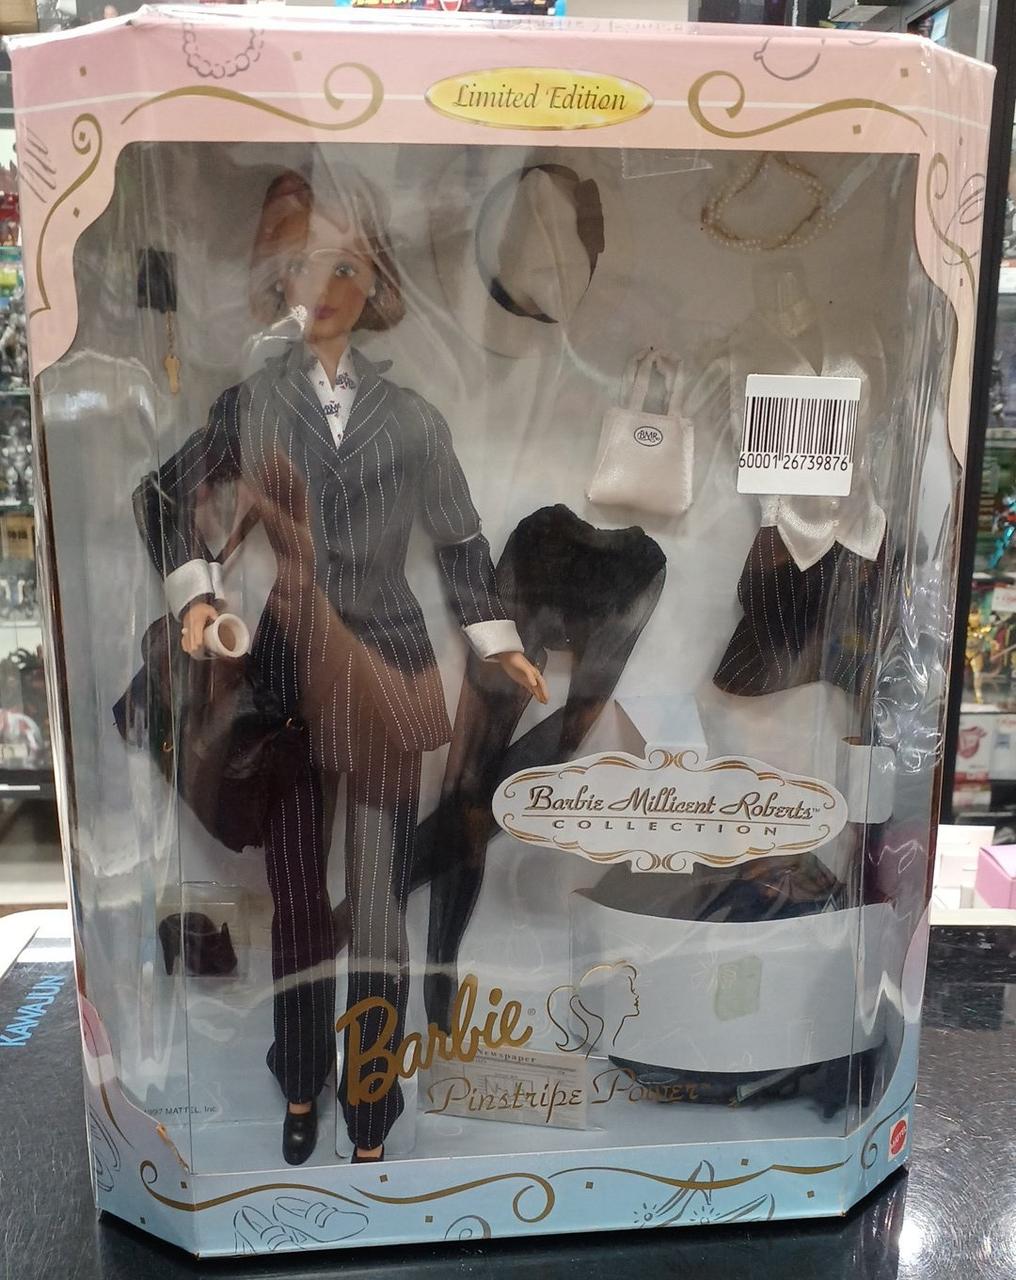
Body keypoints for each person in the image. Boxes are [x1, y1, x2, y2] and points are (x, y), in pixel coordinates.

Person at [134, 164, 547, 1165]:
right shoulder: (251, 402)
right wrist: (197, 597)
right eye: (302, 265)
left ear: (376, 283)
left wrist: (499, 642)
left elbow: (460, 542)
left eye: (347, 269)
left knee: (374, 907)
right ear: (275, 278)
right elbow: (164, 496)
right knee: (294, 898)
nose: (322, 287)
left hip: (386, 670)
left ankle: (370, 1101)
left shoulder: (411, 417)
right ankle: (297, 1076)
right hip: (282, 673)